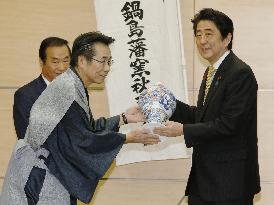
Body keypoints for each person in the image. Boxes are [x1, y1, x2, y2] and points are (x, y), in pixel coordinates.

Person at [0, 32, 160, 205]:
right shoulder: (66, 88)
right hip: (38, 179)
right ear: (82, 60)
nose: (107, 68)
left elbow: (85, 129)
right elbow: (80, 141)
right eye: (102, 61)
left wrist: (123, 118)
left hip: (52, 173)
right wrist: (126, 138)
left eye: (109, 62)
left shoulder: (73, 84)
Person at [154, 8, 260, 205]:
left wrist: (183, 130)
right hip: (206, 180)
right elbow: (203, 116)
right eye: (198, 34)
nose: (202, 40)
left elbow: (229, 124)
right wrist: (169, 103)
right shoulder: (211, 71)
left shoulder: (240, 73)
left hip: (230, 182)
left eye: (208, 34)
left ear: (227, 38)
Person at [13, 37, 71, 139]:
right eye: (55, 62)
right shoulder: (25, 96)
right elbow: (29, 141)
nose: (62, 67)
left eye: (66, 61)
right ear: (41, 62)